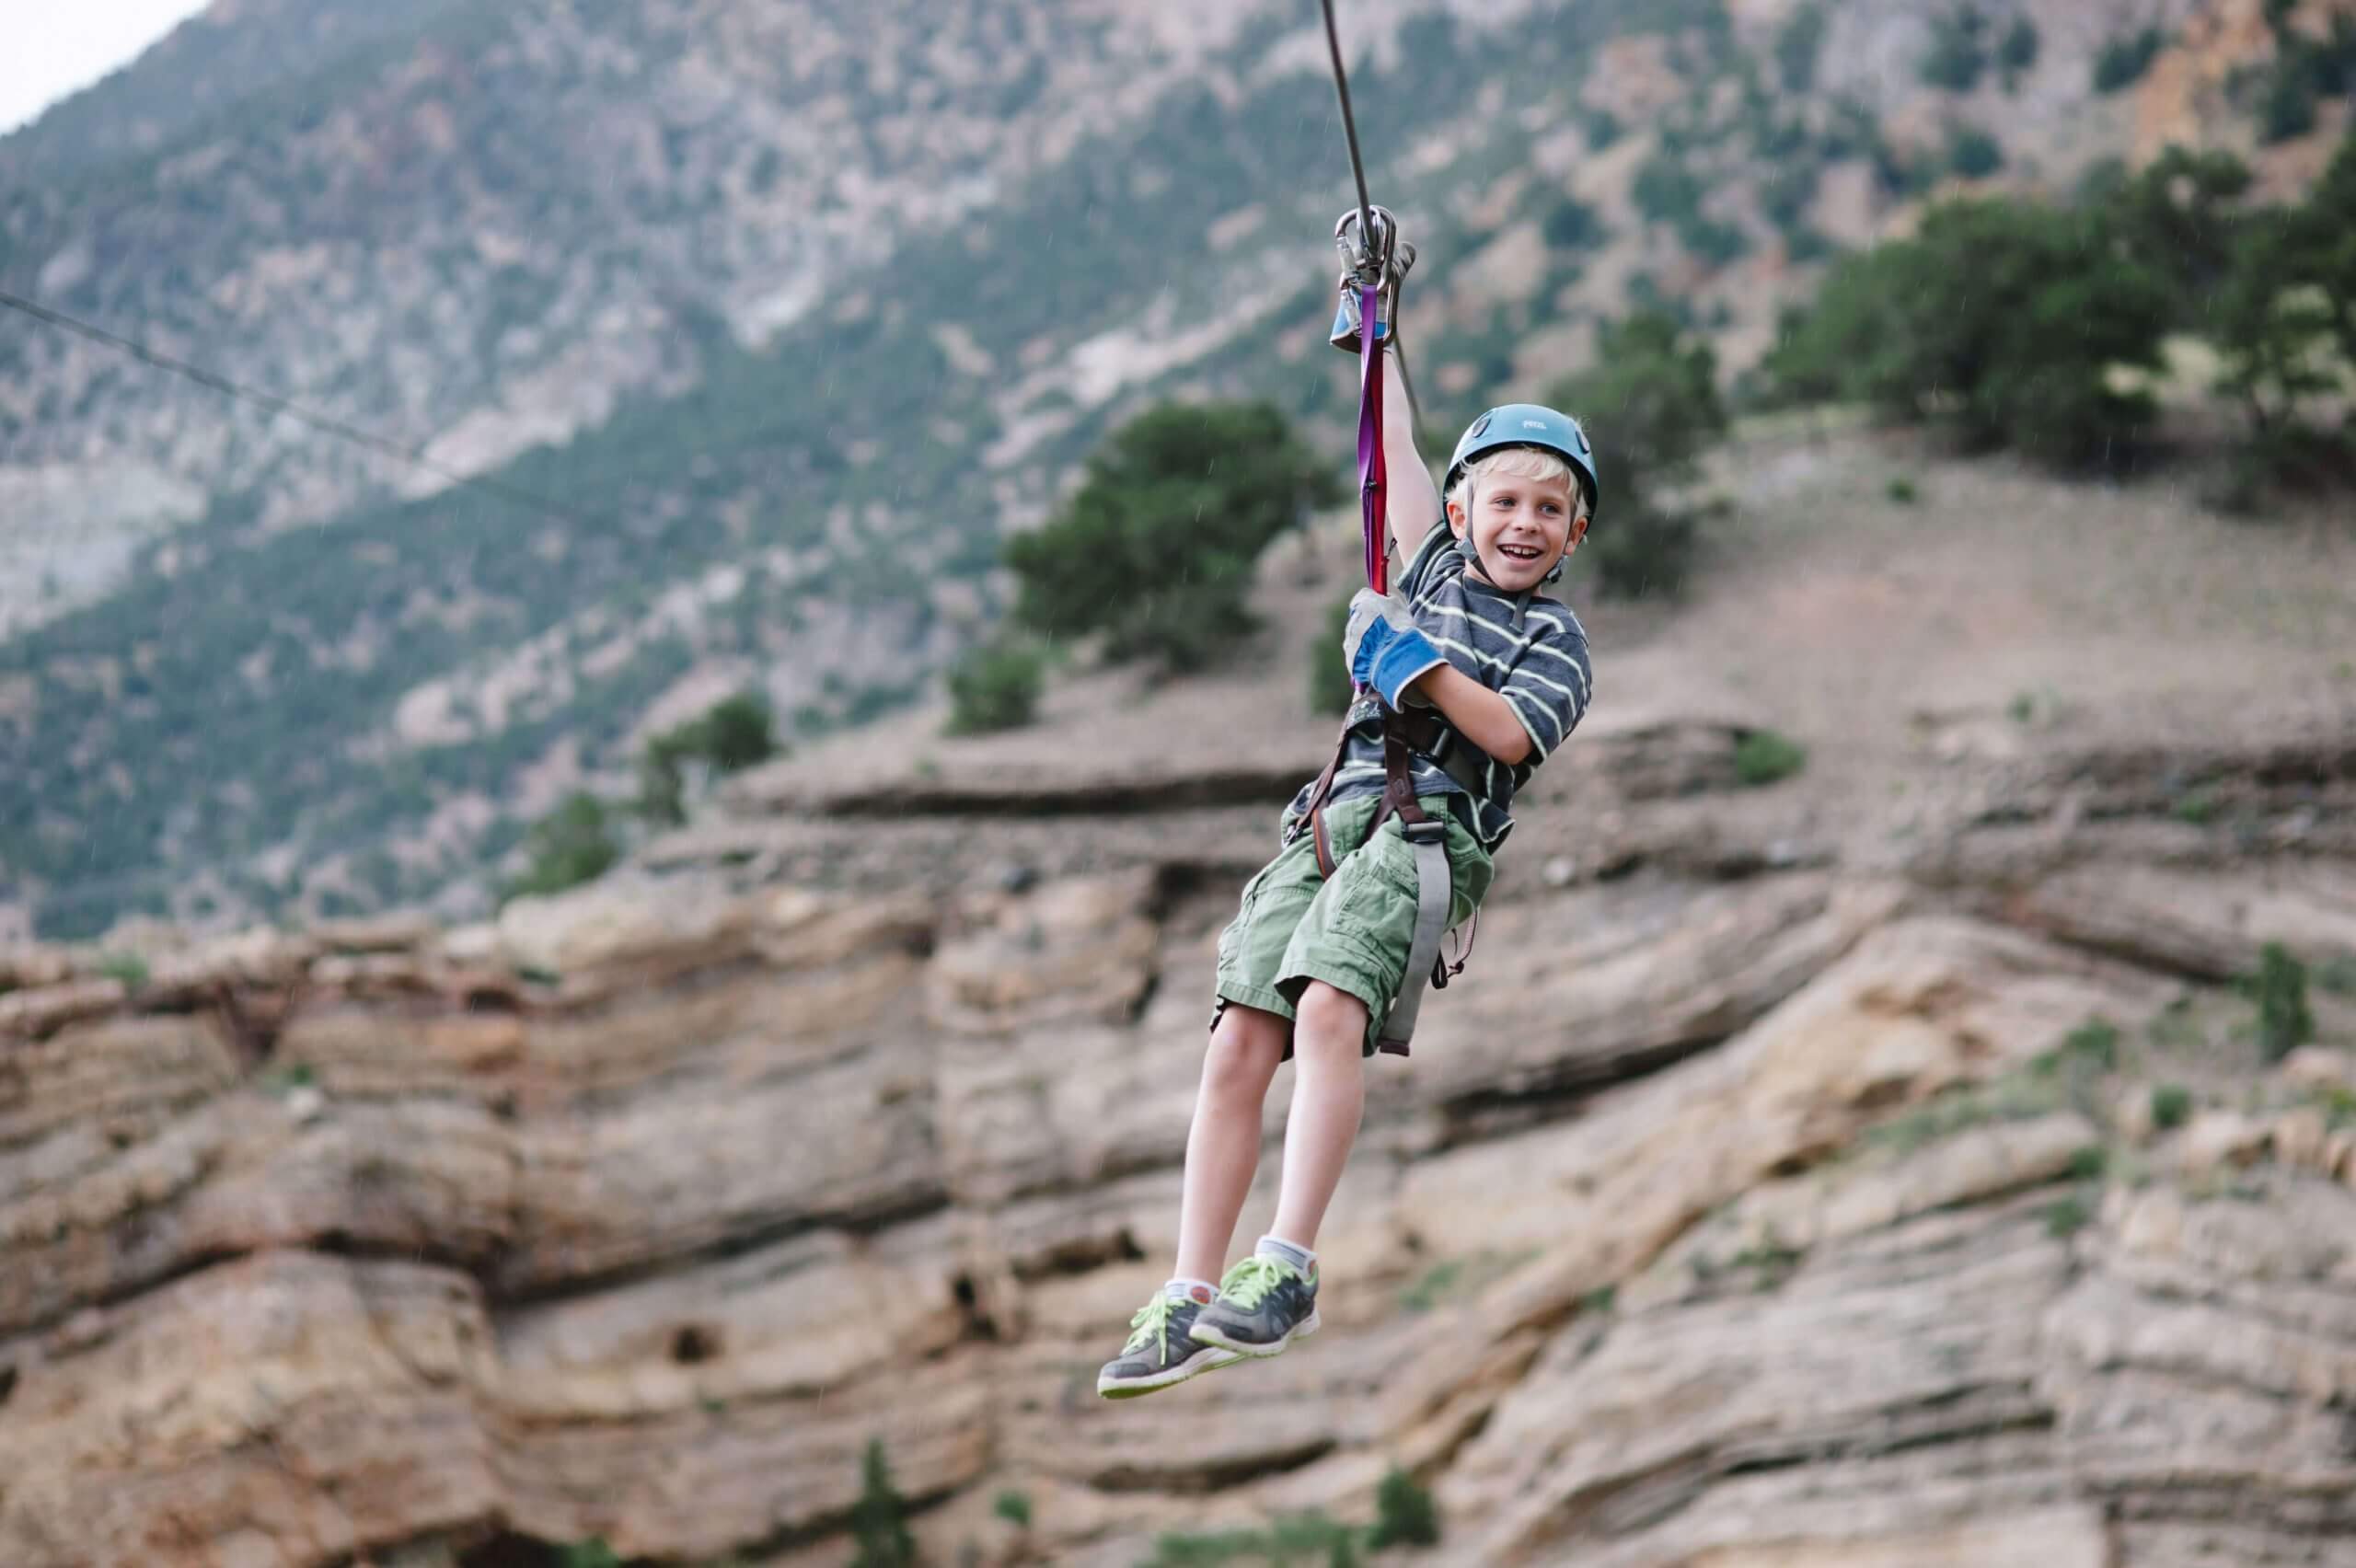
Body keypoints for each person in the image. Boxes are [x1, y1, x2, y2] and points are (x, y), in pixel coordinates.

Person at [1096, 220, 1598, 1399]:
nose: (1521, 523)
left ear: (1576, 534)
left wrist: (1411, 666)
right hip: (1329, 819)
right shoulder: (1425, 562)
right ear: (1468, 510)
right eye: (1503, 500)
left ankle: (1287, 1264)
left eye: (1548, 509)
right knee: (1237, 1043)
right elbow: (1398, 456)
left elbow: (1512, 735)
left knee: (1329, 1010)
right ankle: (1188, 1284)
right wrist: (1376, 328)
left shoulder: (1555, 640)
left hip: (1426, 833)